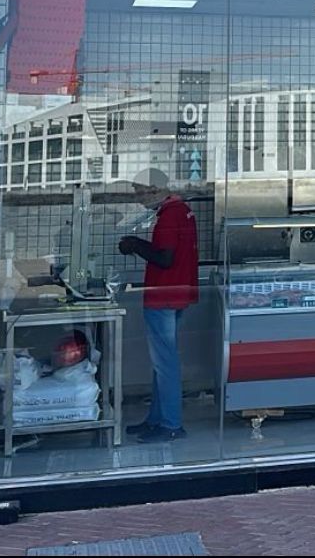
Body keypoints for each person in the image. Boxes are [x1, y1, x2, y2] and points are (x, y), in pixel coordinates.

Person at [118, 168, 198, 443]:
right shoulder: (182, 210)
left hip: (163, 296)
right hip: (178, 292)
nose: (139, 199)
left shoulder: (169, 216)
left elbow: (164, 258)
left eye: (140, 192)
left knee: (165, 363)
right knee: (162, 361)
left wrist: (134, 244)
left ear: (155, 189)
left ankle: (171, 424)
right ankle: (156, 418)